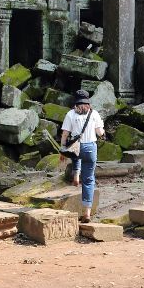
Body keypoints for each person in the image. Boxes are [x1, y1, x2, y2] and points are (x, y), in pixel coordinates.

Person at [58, 90, 105, 224]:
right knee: (89, 179)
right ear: (87, 102)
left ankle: (76, 175)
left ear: (76, 102)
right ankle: (87, 213)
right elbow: (100, 132)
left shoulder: (70, 114)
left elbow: (65, 135)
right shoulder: (94, 113)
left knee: (74, 150)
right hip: (90, 147)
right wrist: (103, 132)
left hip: (77, 146)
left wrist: (62, 150)